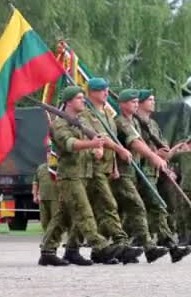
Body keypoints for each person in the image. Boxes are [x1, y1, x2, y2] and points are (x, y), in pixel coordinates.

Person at [38, 86, 127, 266]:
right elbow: (70, 144)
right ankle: (101, 245)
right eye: (79, 98)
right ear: (69, 101)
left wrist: (97, 149)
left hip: (84, 174)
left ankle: (49, 251)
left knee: (64, 216)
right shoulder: (59, 124)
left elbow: (93, 142)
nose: (83, 101)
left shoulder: (80, 122)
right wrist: (91, 144)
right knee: (84, 213)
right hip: (70, 176)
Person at [79, 78, 142, 263]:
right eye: (101, 90)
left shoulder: (107, 114)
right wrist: (120, 150)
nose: (106, 93)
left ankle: (97, 251)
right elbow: (100, 139)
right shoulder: (86, 114)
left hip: (106, 168)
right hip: (92, 168)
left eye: (107, 89)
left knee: (94, 211)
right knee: (108, 206)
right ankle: (121, 244)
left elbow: (111, 138)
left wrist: (114, 166)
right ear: (91, 92)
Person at [111, 88, 169, 263]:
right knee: (135, 207)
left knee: (121, 212)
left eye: (137, 101)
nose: (136, 104)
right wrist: (153, 156)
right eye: (132, 102)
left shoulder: (135, 122)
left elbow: (142, 142)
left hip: (134, 173)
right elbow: (134, 142)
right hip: (121, 173)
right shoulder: (120, 122)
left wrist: (156, 153)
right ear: (122, 104)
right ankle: (148, 247)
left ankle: (115, 248)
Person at [135, 88, 191, 261]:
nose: (153, 102)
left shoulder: (152, 124)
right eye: (150, 99)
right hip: (139, 171)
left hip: (152, 172)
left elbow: (164, 151)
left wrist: (167, 154)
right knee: (145, 208)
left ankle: (164, 247)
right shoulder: (134, 123)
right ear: (141, 102)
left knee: (154, 208)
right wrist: (156, 153)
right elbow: (137, 145)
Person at [32, 157, 58, 232]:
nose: (50, 156)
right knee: (44, 220)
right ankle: (47, 238)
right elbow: (35, 182)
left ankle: (54, 239)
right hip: (42, 198)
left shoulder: (59, 167)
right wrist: (35, 196)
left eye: (52, 154)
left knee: (55, 220)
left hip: (55, 198)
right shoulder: (41, 168)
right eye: (48, 154)